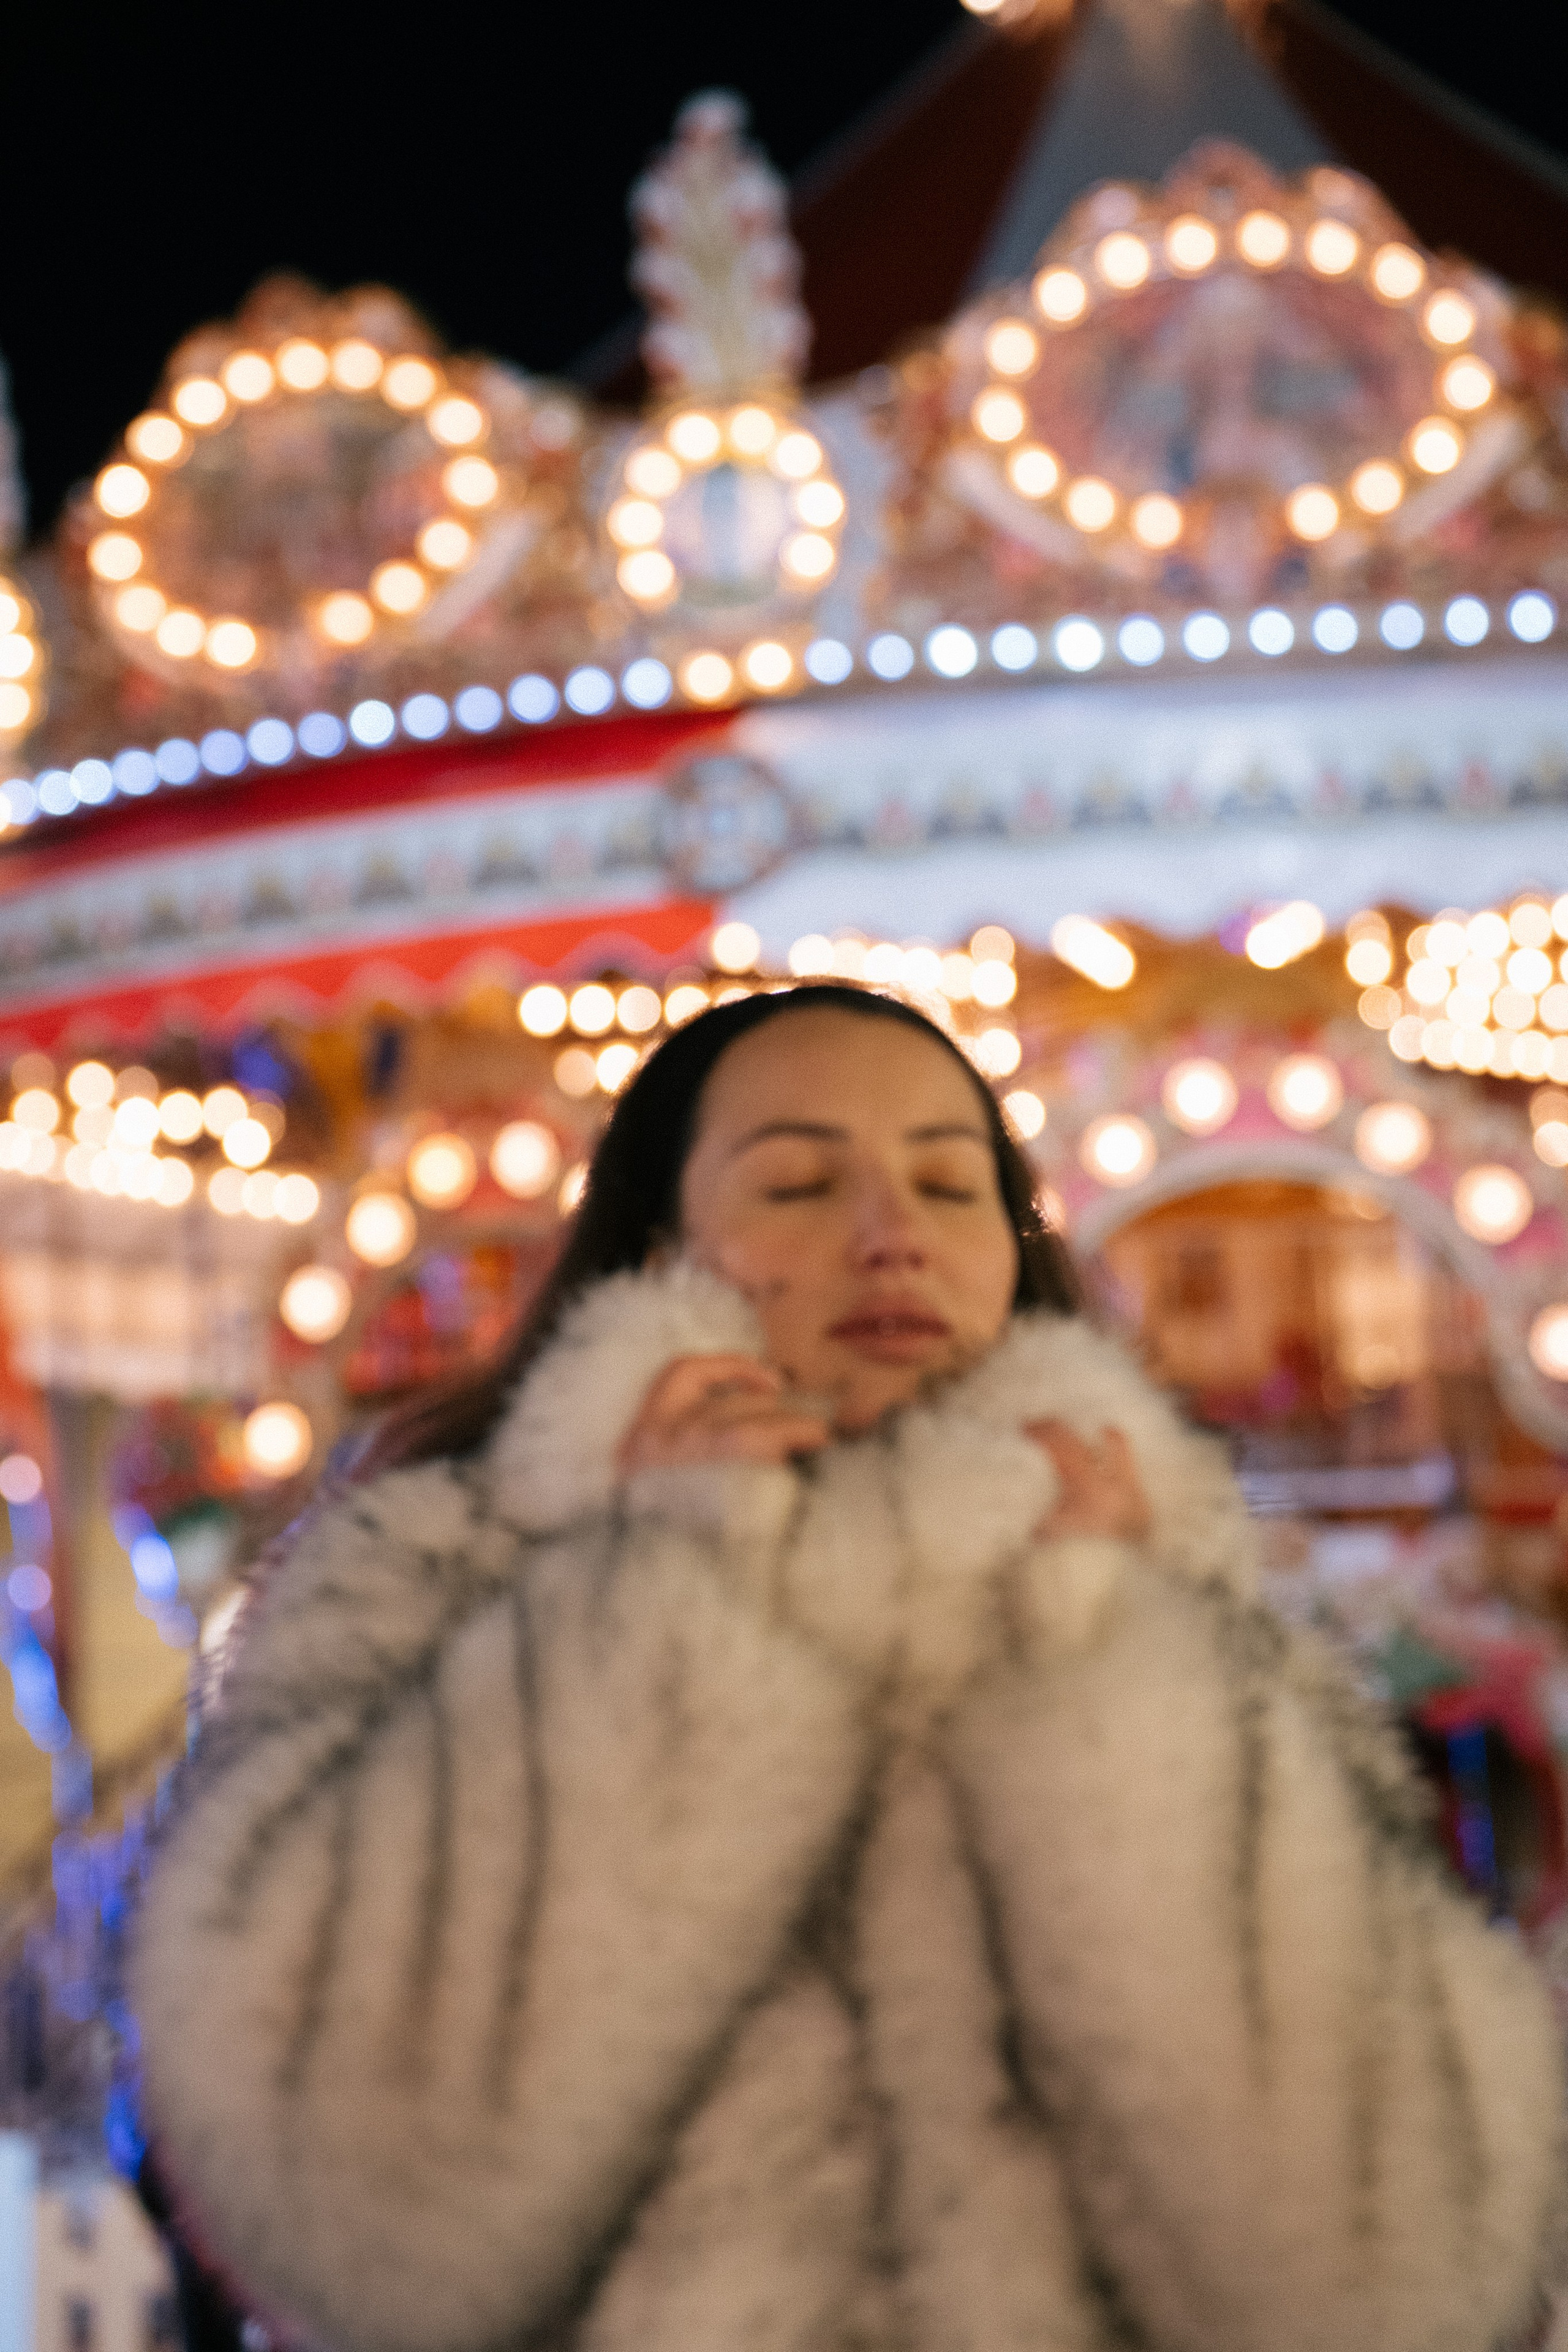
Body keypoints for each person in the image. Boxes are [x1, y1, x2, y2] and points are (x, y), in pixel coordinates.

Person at [132, 984, 1562, 2352]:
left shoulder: (1175, 1596)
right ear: (654, 1253)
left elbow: (1384, 2258)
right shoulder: (433, 1569)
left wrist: (1120, 1671)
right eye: (800, 1188)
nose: (894, 1238)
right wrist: (647, 1611)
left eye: (950, 1189)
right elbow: (337, 2197)